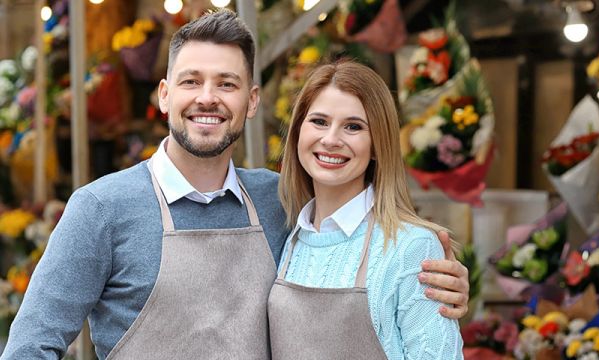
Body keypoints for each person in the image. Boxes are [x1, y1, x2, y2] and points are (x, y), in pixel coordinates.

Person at [1, 10, 469, 360]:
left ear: (251, 101)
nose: (208, 98)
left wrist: (435, 280)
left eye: (227, 83)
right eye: (191, 81)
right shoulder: (101, 209)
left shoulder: (281, 201)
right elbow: (29, 347)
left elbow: (358, 251)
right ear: (165, 95)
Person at [268, 60, 464, 359]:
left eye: (353, 126)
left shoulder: (412, 247)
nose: (331, 139)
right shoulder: (288, 237)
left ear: (377, 146)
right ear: (297, 133)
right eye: (319, 121)